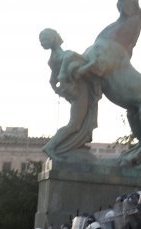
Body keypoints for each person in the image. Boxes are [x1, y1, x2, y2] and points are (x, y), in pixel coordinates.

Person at [39, 28, 101, 159]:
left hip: (75, 90)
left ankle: (78, 143)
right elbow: (59, 77)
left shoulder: (53, 60)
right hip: (79, 89)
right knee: (74, 124)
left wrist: (62, 91)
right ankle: (50, 146)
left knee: (79, 122)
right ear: (55, 38)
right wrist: (66, 87)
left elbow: (52, 81)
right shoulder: (65, 55)